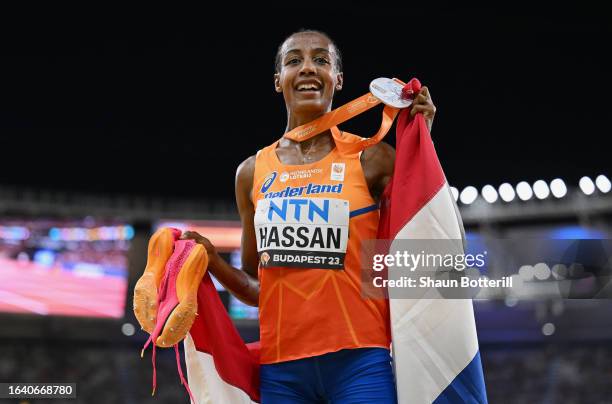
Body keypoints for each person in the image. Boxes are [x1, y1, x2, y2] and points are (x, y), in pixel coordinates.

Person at [181, 29, 437, 403]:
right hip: (282, 372)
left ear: (339, 79)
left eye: (321, 60)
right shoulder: (252, 172)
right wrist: (211, 259)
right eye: (293, 61)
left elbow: (420, 227)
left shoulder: (372, 159)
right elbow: (257, 288)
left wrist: (421, 139)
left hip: (361, 361)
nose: (307, 69)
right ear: (278, 80)